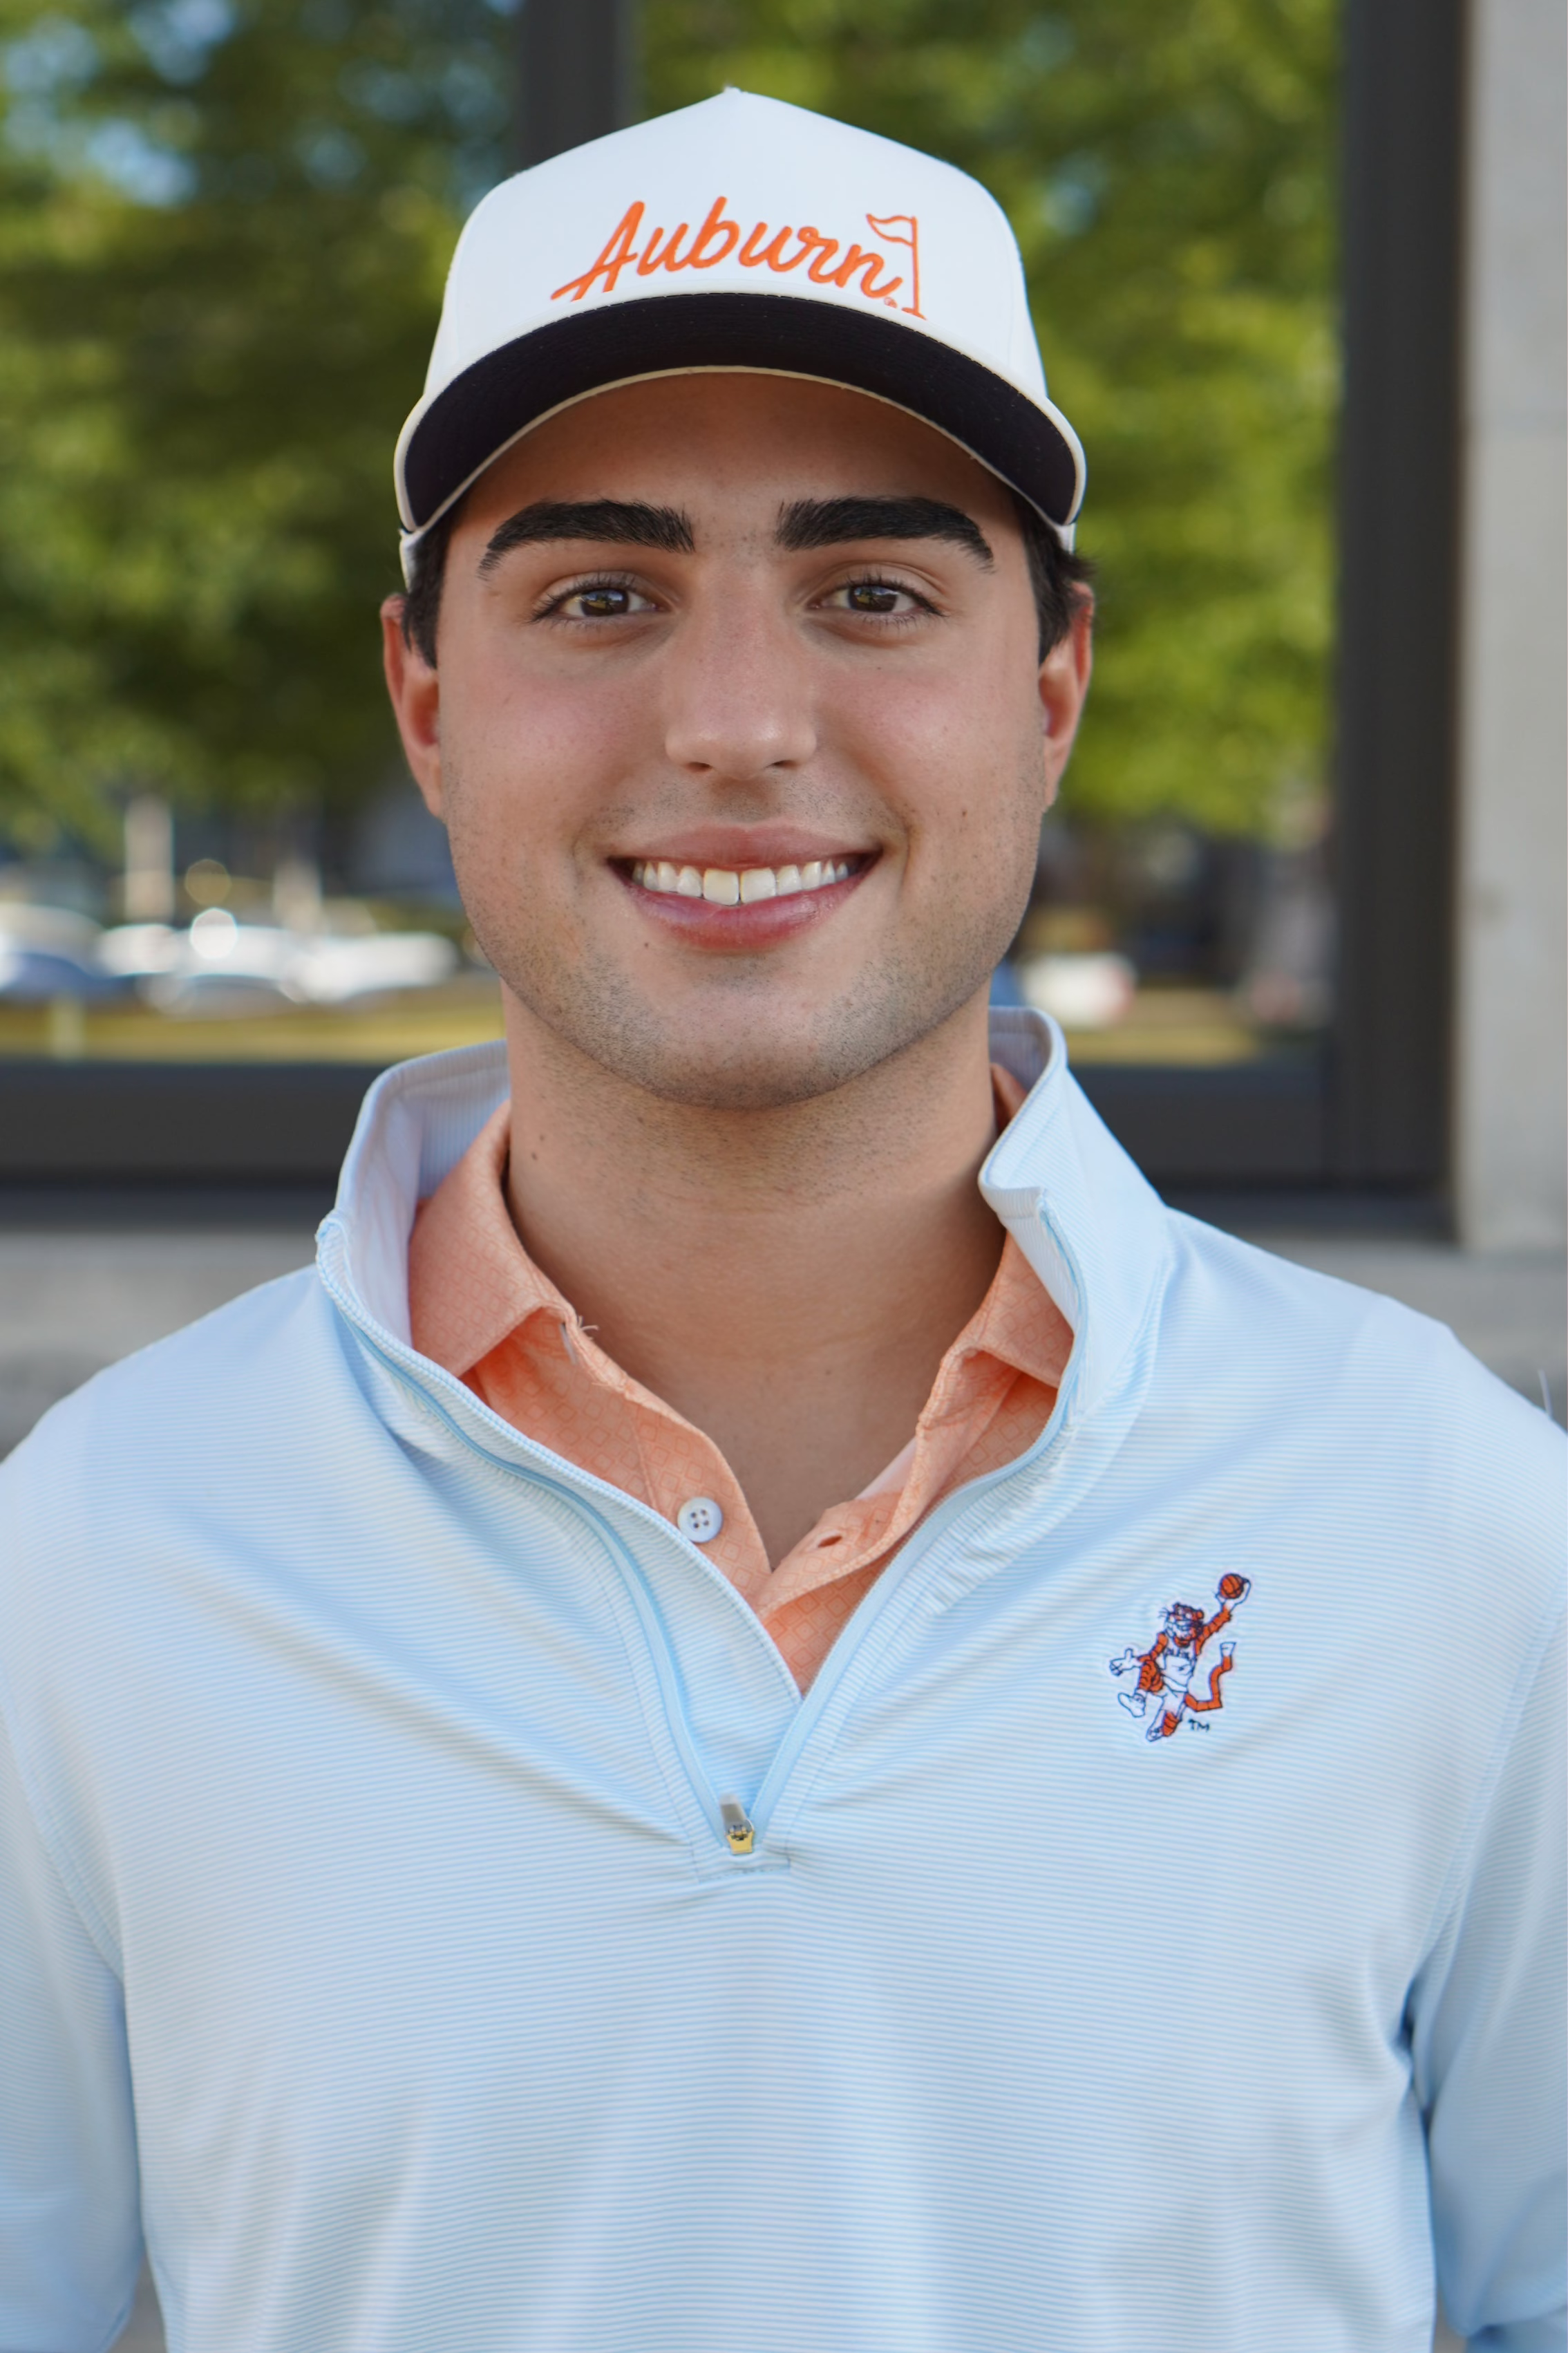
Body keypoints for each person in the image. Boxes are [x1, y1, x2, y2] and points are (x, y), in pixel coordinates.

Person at [1, 90, 1562, 2353]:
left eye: (870, 592)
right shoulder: (98, 1553)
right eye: (603, 592)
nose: (735, 724)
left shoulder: (1442, 1512)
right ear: (424, 700)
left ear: (1050, 690)